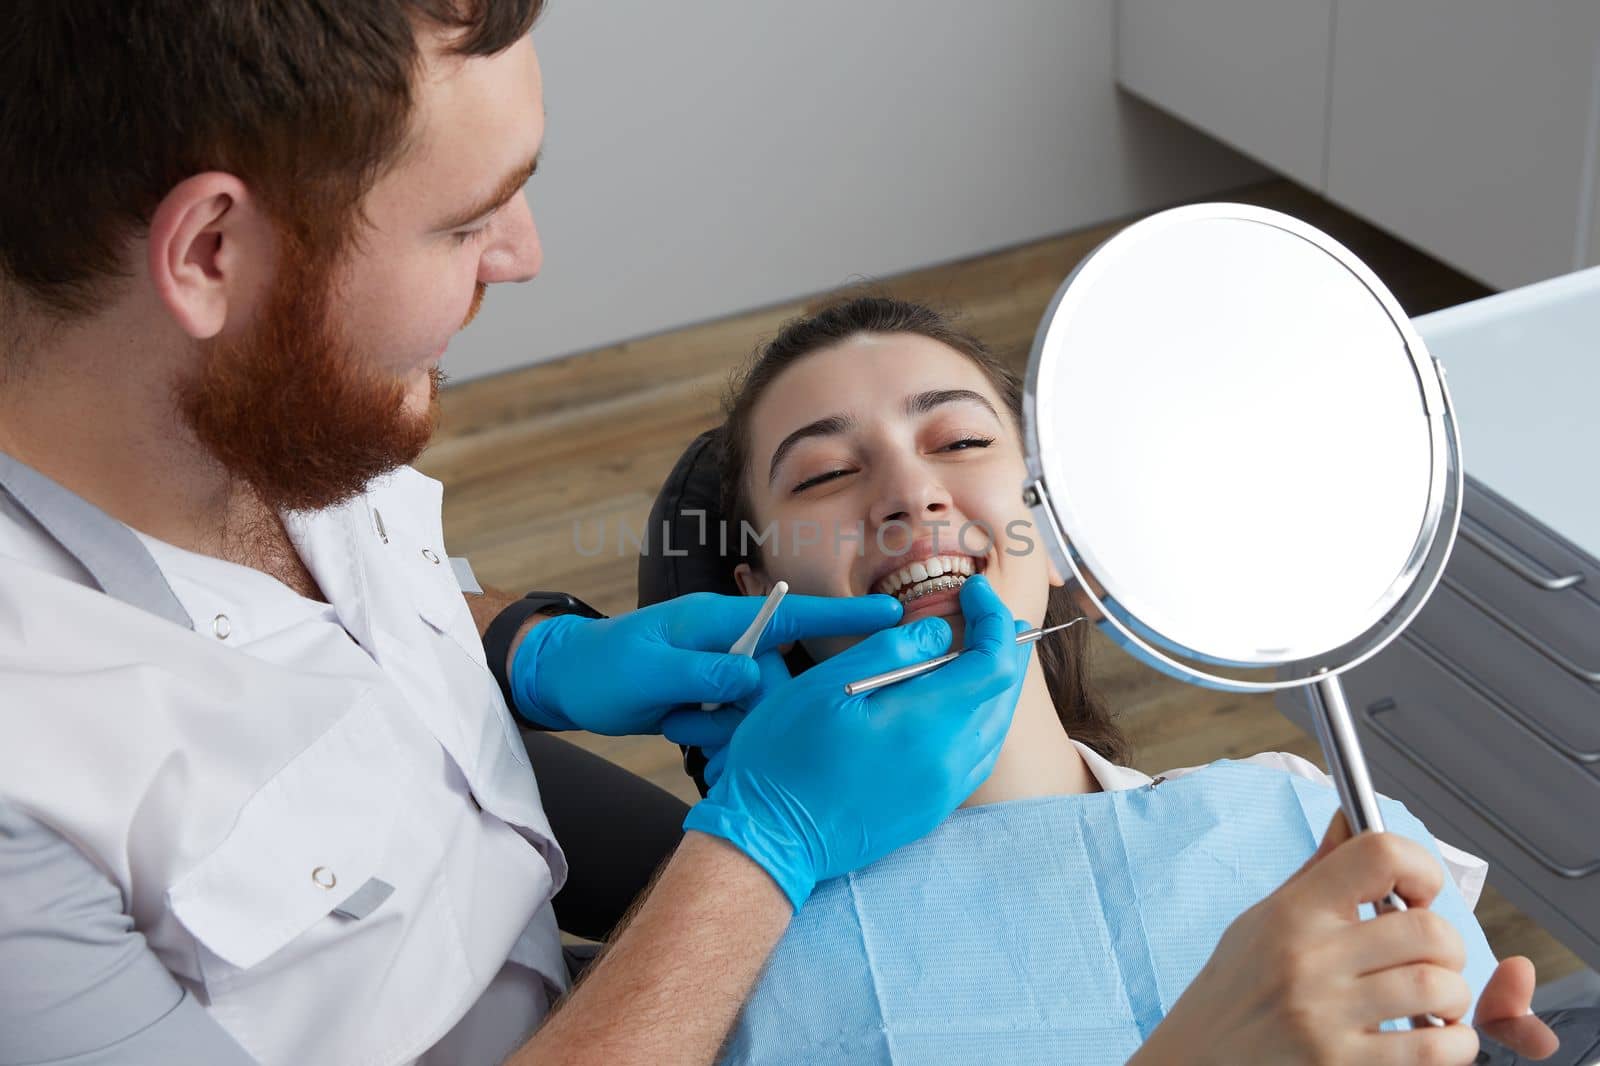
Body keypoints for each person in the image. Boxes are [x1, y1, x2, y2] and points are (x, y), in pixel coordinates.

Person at [0, 6, 1028, 1064]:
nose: (522, 254)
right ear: (213, 250)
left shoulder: (264, 392)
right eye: (462, 223)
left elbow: (333, 634)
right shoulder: (26, 795)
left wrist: (529, 651)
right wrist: (762, 850)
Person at [679, 295, 1559, 1063]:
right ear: (763, 594)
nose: (912, 491)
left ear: (1056, 527)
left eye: (961, 440)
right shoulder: (719, 959)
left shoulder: (1301, 817)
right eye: (827, 474)